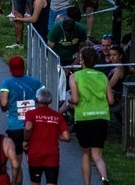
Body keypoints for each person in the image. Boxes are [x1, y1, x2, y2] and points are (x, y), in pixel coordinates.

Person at [68, 46, 111, 185]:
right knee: (98, 155)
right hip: (101, 117)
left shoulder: (75, 76)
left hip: (84, 117)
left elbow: (75, 99)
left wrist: (69, 100)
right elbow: (111, 100)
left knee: (86, 154)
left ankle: (87, 184)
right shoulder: (103, 76)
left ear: (82, 60)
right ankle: (104, 178)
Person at [0, 56, 43, 185]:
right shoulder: (36, 82)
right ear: (24, 67)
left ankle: (17, 182)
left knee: (16, 162)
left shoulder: (6, 83)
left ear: (10, 68)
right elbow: (43, 101)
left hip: (15, 127)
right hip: (33, 125)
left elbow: (4, 103)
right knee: (33, 159)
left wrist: (3, 105)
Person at [22, 87, 69, 185]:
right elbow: (67, 137)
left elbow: (28, 127)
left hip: (35, 154)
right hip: (52, 155)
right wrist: (58, 135)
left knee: (35, 182)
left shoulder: (31, 114)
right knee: (51, 182)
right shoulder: (57, 116)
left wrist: (26, 140)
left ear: (37, 100)